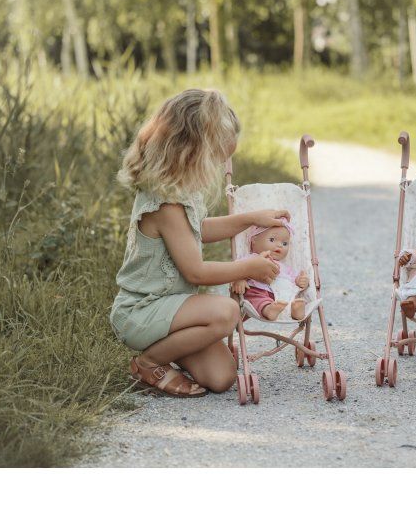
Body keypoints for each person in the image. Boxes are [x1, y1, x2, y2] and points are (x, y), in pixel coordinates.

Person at [110, 89, 290, 397]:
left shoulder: (181, 191)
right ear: (191, 152)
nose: (217, 168)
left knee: (221, 377)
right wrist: (248, 268)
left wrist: (250, 219)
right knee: (226, 312)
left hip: (172, 310)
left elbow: (198, 230)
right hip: (142, 311)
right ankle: (149, 363)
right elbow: (196, 272)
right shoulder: (165, 203)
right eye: (215, 160)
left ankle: (168, 348)